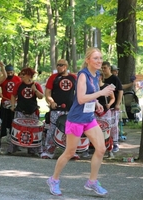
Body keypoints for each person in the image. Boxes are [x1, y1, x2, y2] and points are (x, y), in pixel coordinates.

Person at [47, 47, 114, 196]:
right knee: (70, 152)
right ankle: (54, 179)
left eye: (101, 58)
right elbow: (81, 98)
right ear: (88, 60)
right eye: (96, 58)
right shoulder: (82, 75)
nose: (99, 61)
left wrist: (96, 101)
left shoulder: (96, 75)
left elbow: (91, 94)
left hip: (89, 118)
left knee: (101, 149)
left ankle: (92, 182)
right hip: (76, 119)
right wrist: (102, 93)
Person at [40, 59, 78, 159]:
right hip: (56, 109)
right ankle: (48, 151)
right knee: (52, 129)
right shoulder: (53, 78)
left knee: (71, 131)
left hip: (71, 109)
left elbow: (80, 92)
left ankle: (71, 151)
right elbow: (47, 92)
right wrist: (51, 102)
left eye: (61, 65)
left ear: (66, 66)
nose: (59, 67)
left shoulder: (74, 78)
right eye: (57, 65)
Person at [8, 67, 44, 154]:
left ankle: (33, 149)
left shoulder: (36, 85)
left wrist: (35, 90)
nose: (21, 76)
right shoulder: (19, 85)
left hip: (33, 111)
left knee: (33, 130)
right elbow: (13, 95)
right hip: (20, 110)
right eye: (20, 74)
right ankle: (13, 148)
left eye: (23, 74)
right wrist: (13, 105)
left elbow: (41, 96)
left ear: (29, 75)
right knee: (17, 129)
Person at [0, 64, 21, 150]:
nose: (10, 74)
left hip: (14, 103)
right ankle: (1, 137)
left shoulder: (18, 79)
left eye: (11, 72)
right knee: (2, 121)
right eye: (8, 72)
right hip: (4, 102)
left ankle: (12, 138)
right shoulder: (3, 78)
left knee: (13, 121)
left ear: (14, 72)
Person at [102, 61, 123, 152]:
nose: (103, 70)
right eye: (102, 68)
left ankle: (115, 143)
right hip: (103, 107)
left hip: (113, 106)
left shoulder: (114, 78)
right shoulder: (101, 79)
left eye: (105, 68)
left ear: (109, 68)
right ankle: (104, 143)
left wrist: (118, 104)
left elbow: (120, 91)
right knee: (104, 125)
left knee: (114, 125)